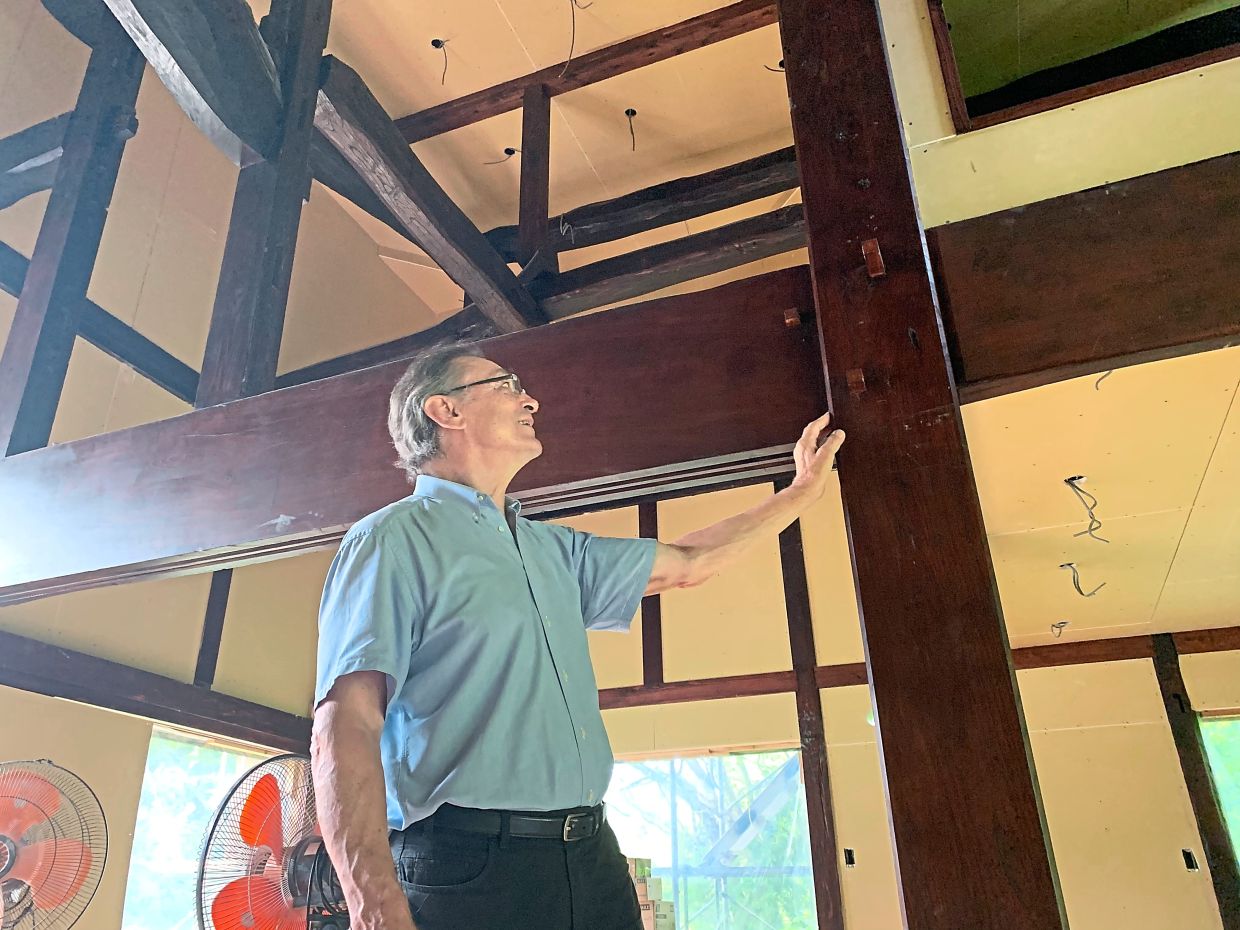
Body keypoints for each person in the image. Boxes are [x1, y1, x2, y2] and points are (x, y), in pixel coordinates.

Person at [311, 343, 845, 930]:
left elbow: (689, 561)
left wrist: (800, 494)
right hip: (468, 864)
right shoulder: (391, 539)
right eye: (506, 384)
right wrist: (374, 908)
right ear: (445, 410)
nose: (529, 397)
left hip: (591, 854)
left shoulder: (551, 548)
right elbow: (347, 725)